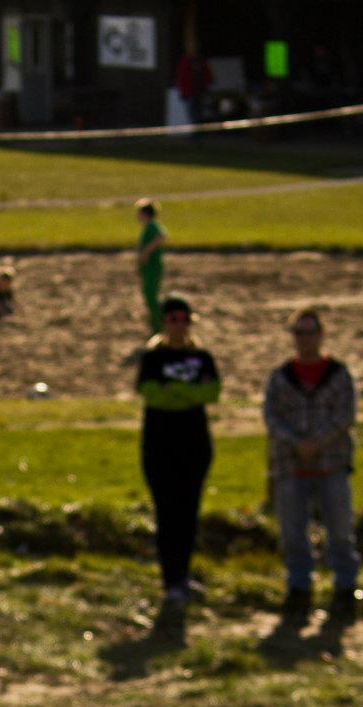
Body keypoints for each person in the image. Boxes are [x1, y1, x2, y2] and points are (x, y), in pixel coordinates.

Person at [262, 303, 360, 622]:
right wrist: (295, 442)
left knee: (341, 532)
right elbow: (270, 416)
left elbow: (345, 414)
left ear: (322, 335)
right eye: (298, 333)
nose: (304, 339)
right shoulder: (280, 377)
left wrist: (318, 441)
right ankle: (299, 588)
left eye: (310, 332)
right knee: (292, 534)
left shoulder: (338, 374)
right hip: (290, 467)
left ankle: (345, 589)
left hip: (331, 464)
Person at [133, 295, 220, 613]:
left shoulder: (203, 357)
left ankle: (183, 575)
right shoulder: (152, 358)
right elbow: (149, 394)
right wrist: (188, 395)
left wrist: (176, 393)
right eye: (172, 319)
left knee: (189, 514)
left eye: (184, 319)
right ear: (163, 322)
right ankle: (171, 582)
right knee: (167, 513)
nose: (178, 325)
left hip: (195, 446)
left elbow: (212, 392)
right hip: (159, 447)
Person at [135, 199, 167, 332]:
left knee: (151, 296)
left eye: (139, 213)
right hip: (148, 267)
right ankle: (155, 324)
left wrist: (146, 253)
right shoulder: (148, 226)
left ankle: (159, 325)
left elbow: (162, 236)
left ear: (145, 213)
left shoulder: (153, 225)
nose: (137, 216)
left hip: (153, 267)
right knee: (148, 296)